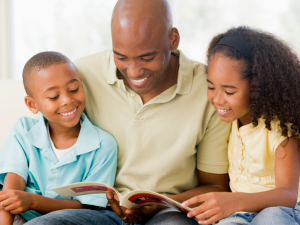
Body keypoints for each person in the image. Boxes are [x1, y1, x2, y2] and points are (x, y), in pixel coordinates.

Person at [26, 0, 231, 224]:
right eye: (121, 57)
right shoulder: (79, 78)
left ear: (173, 39)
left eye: (147, 57)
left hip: (168, 211)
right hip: (97, 210)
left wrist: (159, 205)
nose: (134, 72)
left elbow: (216, 186)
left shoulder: (209, 90)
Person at [181, 26, 300, 225]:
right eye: (211, 87)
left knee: (270, 218)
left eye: (229, 92)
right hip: (238, 214)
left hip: (283, 211)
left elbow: (287, 195)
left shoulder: (282, 129)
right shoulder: (227, 122)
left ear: (258, 87)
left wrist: (235, 200)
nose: (217, 100)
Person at [0, 52, 118, 225]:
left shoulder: (104, 145)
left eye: (73, 89)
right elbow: (12, 187)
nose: (67, 100)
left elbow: (88, 207)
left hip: (67, 220)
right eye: (54, 97)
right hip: (16, 216)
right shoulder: (23, 130)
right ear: (33, 104)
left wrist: (33, 201)